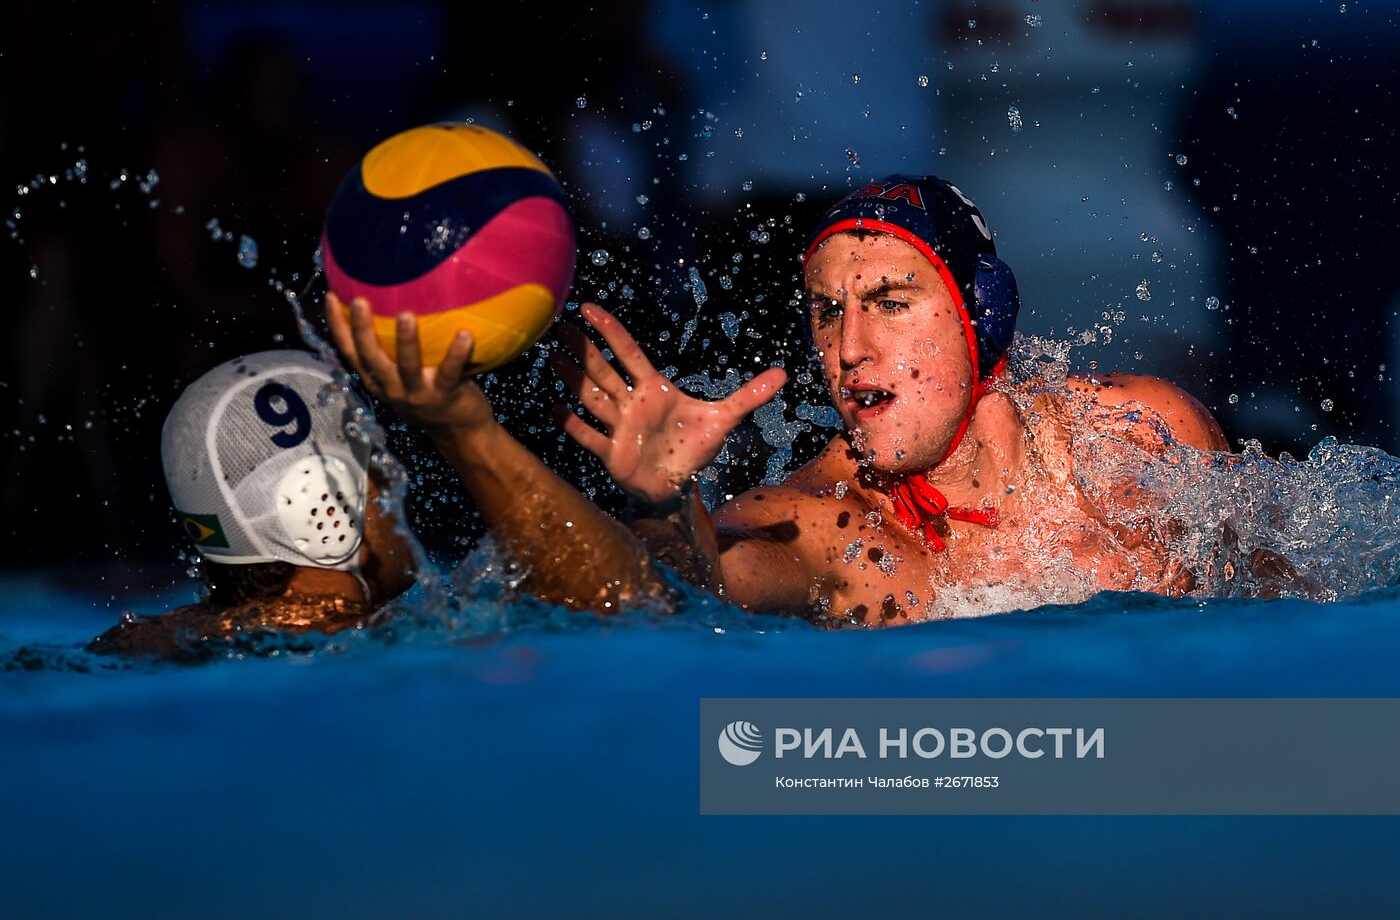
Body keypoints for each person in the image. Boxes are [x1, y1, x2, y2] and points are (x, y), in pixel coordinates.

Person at [328, 174, 1233, 626]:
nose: (848, 349)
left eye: (888, 304)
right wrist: (660, 500)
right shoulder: (825, 528)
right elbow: (652, 600)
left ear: (980, 317)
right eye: (827, 312)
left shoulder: (1143, 434)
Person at [88, 350, 417, 659]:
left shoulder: (145, 639)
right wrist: (462, 426)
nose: (397, 478)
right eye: (378, 460)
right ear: (327, 505)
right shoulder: (382, 641)